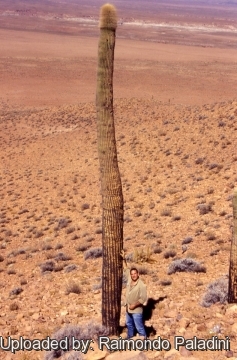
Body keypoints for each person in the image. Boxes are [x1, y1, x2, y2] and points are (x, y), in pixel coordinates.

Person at [121, 250, 147, 339]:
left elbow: (143, 299)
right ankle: (130, 339)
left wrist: (134, 305)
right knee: (129, 325)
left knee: (139, 327)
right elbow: (126, 269)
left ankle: (144, 342)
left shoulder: (141, 285)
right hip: (128, 308)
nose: (133, 275)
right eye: (132, 274)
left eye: (135, 274)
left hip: (136, 311)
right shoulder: (129, 279)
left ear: (138, 274)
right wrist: (124, 258)